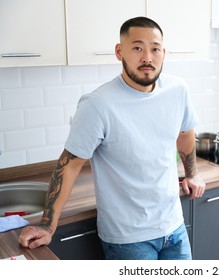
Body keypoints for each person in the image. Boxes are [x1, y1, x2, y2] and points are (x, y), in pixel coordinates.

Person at [18, 16, 205, 260]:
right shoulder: (98, 105)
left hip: (174, 227)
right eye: (137, 48)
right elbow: (69, 166)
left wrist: (191, 173)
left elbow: (185, 133)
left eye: (155, 49)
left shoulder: (177, 90)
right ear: (119, 52)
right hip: (128, 239)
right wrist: (47, 225)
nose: (148, 57)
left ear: (163, 52)